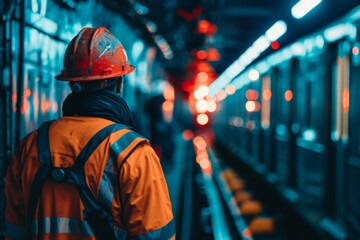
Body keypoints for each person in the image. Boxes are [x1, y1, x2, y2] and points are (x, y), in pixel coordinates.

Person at [5, 27, 175, 240]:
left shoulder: (29, 147)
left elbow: (13, 231)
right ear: (119, 83)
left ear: (71, 84)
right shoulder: (132, 152)